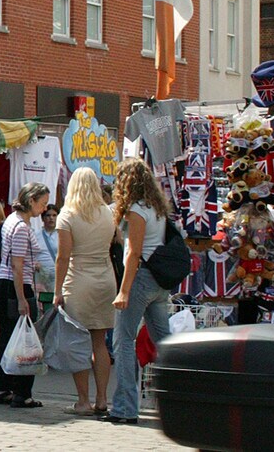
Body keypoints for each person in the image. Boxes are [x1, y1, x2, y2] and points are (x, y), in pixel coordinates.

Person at [106, 158, 175, 425]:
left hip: (140, 278)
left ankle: (125, 408)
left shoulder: (136, 210)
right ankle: (179, 399)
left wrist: (123, 291)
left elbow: (133, 253)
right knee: (164, 342)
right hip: (158, 281)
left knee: (123, 341)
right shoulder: (156, 207)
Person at [54, 167, 118, 416]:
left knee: (77, 343)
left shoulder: (67, 215)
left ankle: (83, 401)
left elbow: (63, 256)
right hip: (105, 278)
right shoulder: (108, 213)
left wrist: (57, 290)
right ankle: (102, 399)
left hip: (78, 280)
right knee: (99, 343)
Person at [0, 182, 50, 410]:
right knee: (25, 339)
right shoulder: (22, 227)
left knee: (6, 337)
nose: (44, 208)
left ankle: (2, 388)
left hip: (3, 282)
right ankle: (22, 393)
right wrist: (22, 299)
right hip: (15, 286)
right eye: (42, 203)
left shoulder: (11, 221)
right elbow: (17, 265)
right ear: (31, 200)